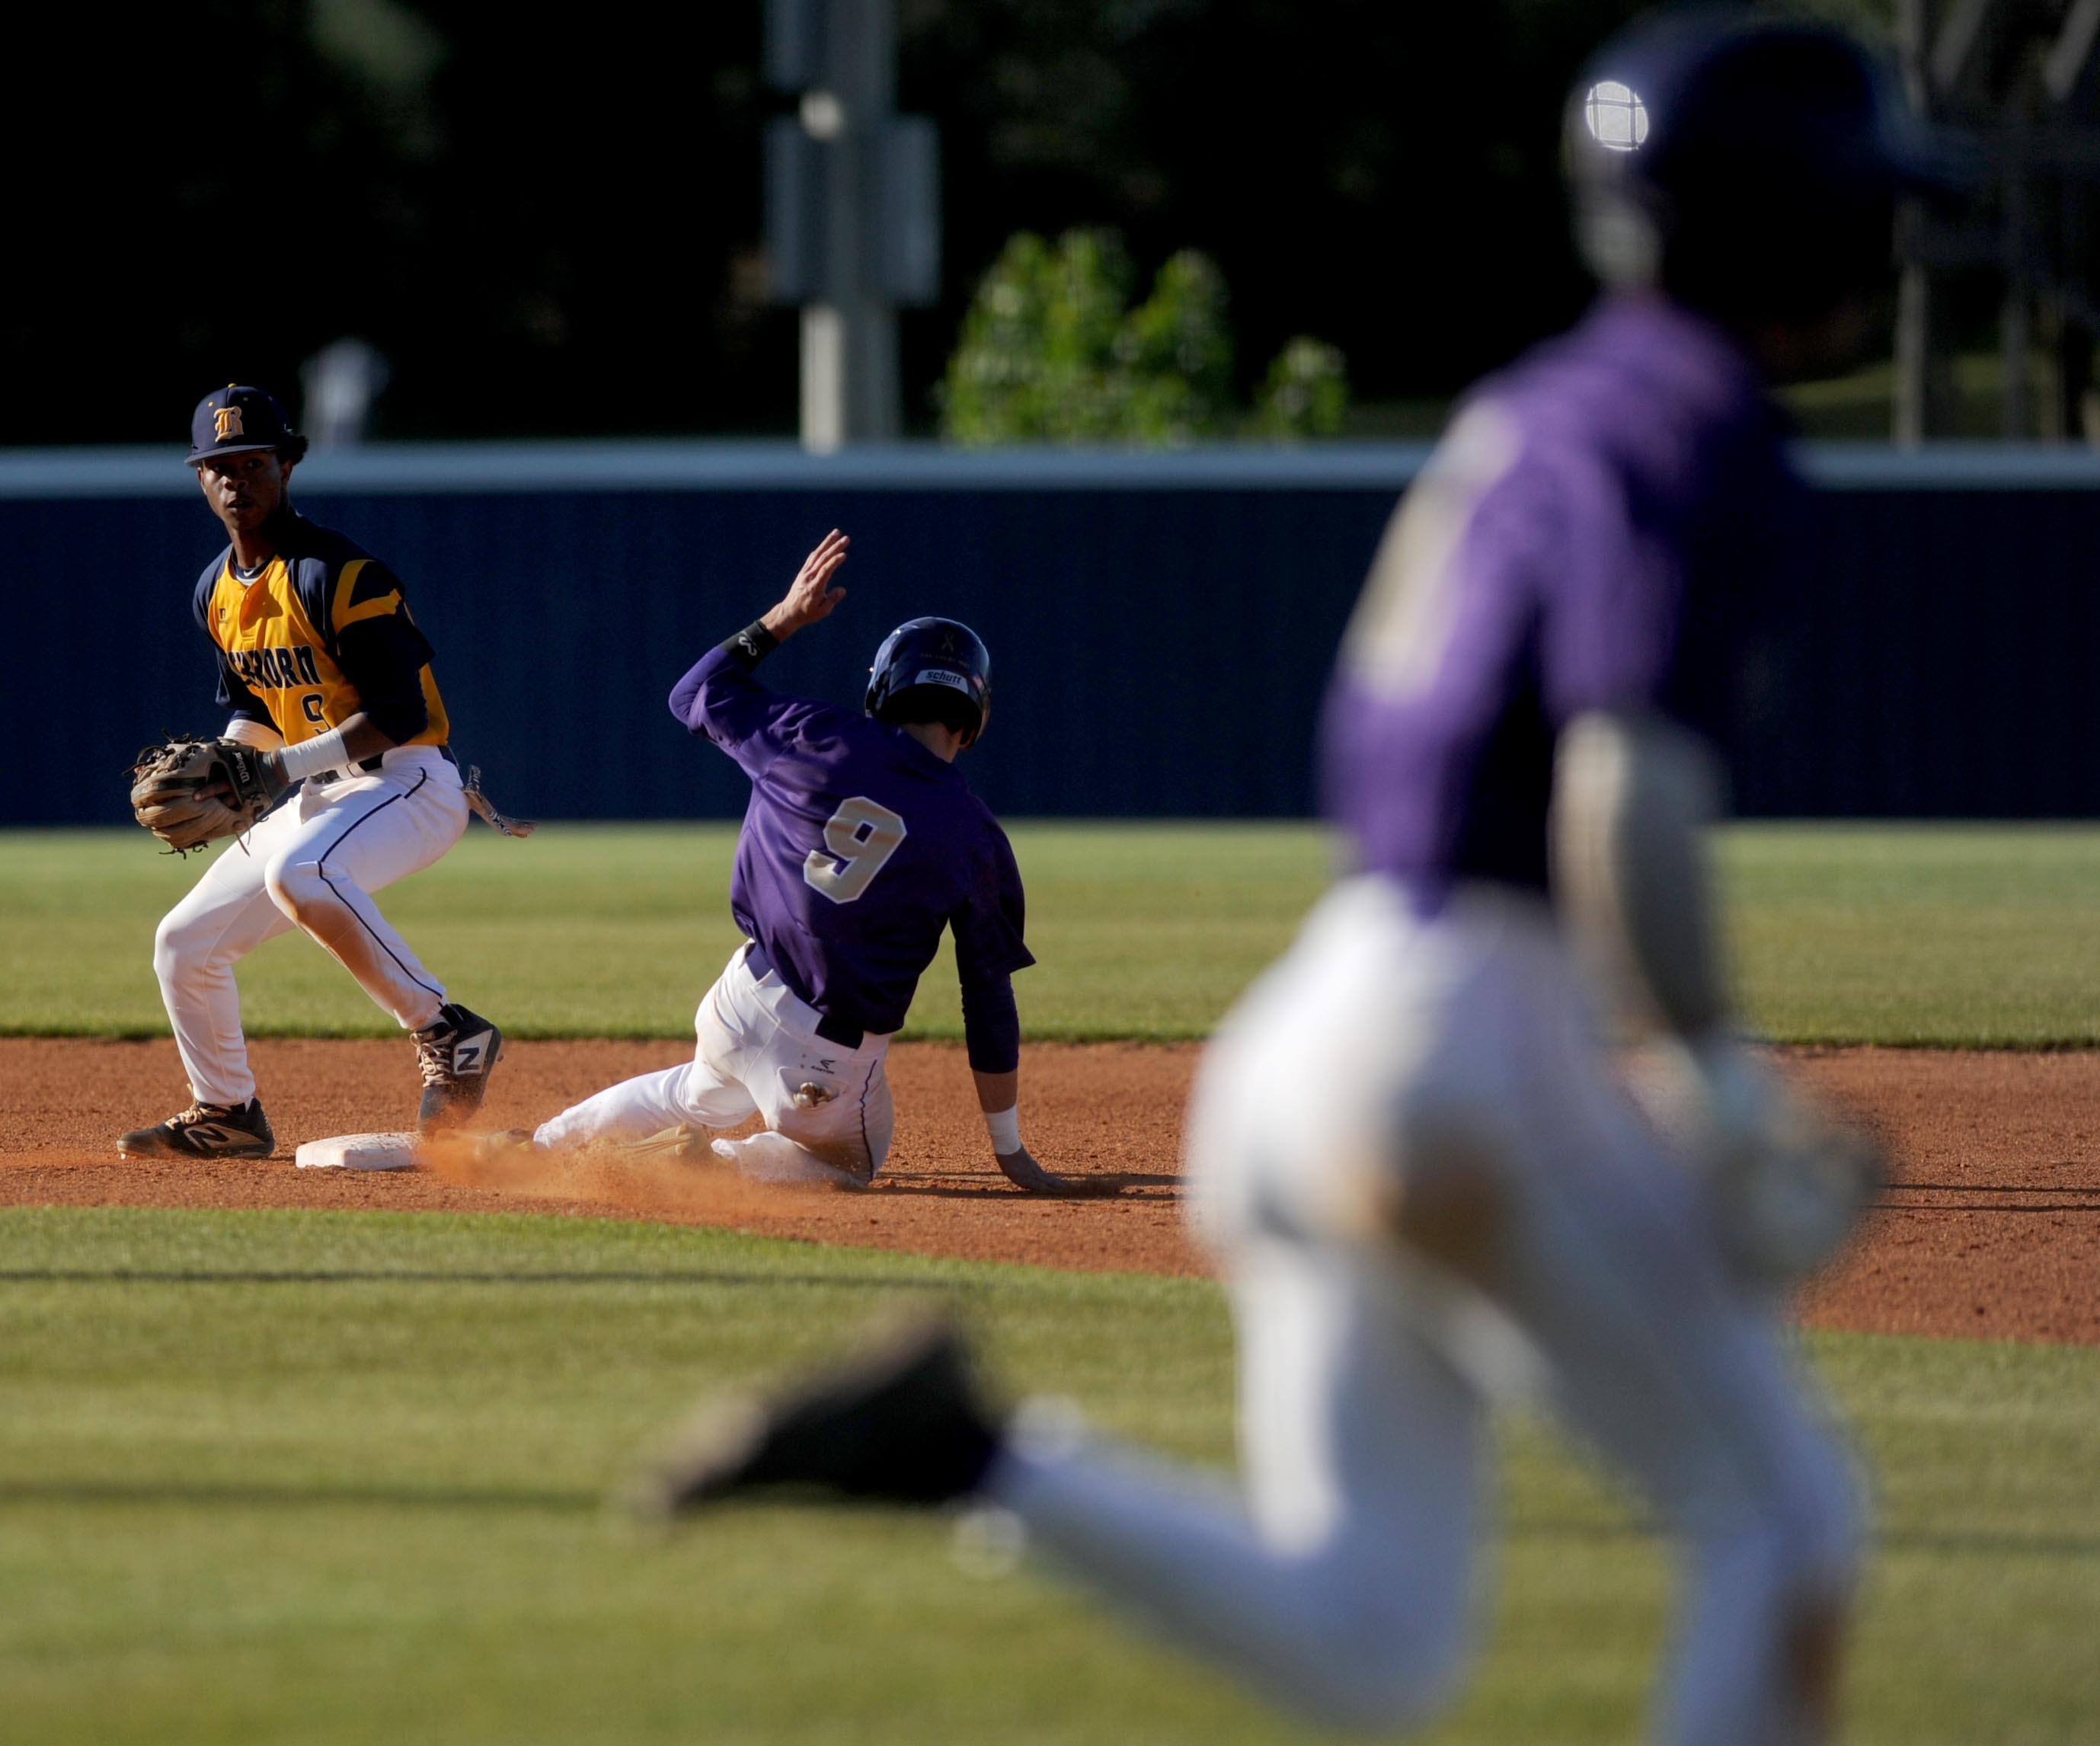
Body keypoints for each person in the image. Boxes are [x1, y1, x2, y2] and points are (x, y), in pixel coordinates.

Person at [621, 13, 1954, 1742]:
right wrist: (1716, 1077)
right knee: (1782, 1523)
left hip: (1319, 1030)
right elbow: (1619, 785)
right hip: (1466, 1045)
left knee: (1370, 1635)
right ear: (1780, 217)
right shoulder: (1698, 426)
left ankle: (967, 1452)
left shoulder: (1538, 403)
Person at [523, 529, 1083, 1195]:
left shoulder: (806, 733)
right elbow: (986, 997)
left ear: (884, 691)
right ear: (973, 718)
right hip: (825, 1056)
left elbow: (692, 693)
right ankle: (707, 1163)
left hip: (739, 999)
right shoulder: (974, 833)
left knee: (697, 1089)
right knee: (849, 1165)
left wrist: (783, 618)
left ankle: (544, 1144)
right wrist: (1009, 1150)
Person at [120, 385, 503, 1159]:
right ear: (200, 478)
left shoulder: (340, 574)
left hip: (408, 783)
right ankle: (228, 1112)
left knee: (300, 872)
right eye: (220, 466)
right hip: (320, 791)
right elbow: (253, 704)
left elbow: (398, 712)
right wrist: (234, 763)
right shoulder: (215, 590)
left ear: (286, 467)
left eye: (253, 463)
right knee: (183, 943)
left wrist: (274, 771)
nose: (237, 480)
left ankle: (447, 1031)